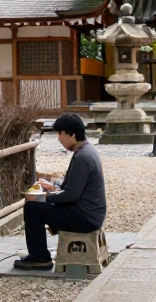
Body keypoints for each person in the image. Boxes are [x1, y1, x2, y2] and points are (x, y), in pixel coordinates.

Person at [14, 112, 106, 270]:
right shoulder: (86, 150)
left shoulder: (82, 157)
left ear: (72, 134)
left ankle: (40, 258)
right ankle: (39, 254)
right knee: (40, 206)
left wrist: (45, 197)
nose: (59, 138)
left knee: (32, 208)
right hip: (90, 213)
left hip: (85, 217)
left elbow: (71, 195)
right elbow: (71, 186)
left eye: (60, 134)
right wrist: (53, 187)